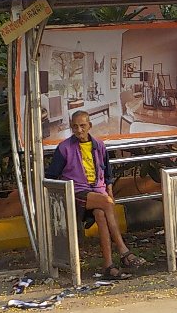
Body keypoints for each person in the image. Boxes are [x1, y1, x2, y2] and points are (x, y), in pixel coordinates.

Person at [45, 110, 146, 279]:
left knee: (101, 214)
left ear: (90, 126)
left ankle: (108, 266)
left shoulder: (99, 145)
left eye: (82, 126)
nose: (79, 130)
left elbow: (107, 173)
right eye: (75, 127)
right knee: (106, 203)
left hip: (98, 192)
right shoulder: (64, 148)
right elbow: (51, 176)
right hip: (77, 192)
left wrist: (109, 191)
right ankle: (124, 251)